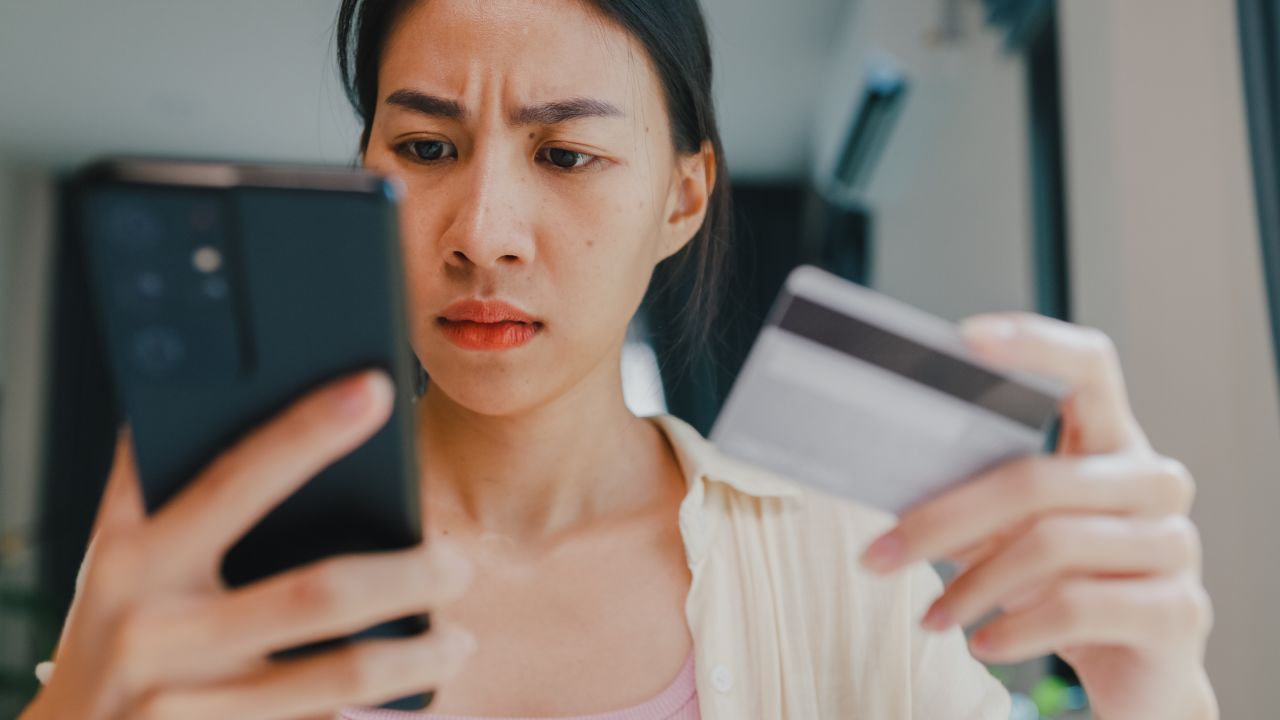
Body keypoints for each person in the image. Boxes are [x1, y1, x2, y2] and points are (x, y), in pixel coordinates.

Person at [20, 0, 1218, 718]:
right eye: (426, 145)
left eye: (567, 156)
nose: (480, 231)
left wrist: (1151, 686)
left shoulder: (842, 558)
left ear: (682, 197)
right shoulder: (211, 550)